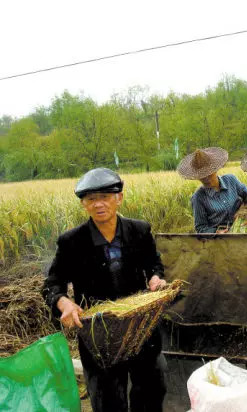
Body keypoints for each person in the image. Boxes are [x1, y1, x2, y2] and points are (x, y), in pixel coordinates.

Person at [42, 167, 167, 412]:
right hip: (99, 336)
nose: (99, 204)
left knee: (151, 390)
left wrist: (156, 278)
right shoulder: (72, 242)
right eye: (91, 199)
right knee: (108, 401)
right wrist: (63, 302)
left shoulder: (139, 231)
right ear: (83, 204)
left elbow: (155, 264)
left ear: (119, 198)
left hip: (140, 327)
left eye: (105, 197)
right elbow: (52, 284)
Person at [177, 147, 247, 233]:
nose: (206, 178)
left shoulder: (231, 180)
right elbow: (201, 228)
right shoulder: (198, 198)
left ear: (215, 169)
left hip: (243, 228)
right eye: (202, 176)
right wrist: (216, 232)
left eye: (209, 174)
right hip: (220, 239)